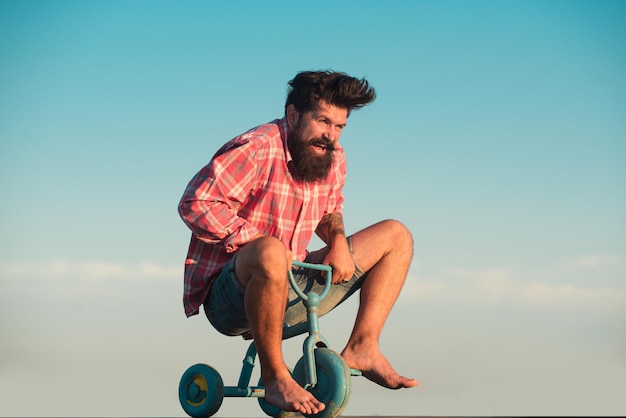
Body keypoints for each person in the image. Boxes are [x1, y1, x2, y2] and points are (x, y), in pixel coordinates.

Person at [178, 70, 417, 415]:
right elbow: (195, 204)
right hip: (229, 298)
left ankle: (363, 347)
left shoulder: (333, 156)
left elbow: (330, 209)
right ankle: (274, 378)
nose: (330, 135)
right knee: (271, 250)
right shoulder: (258, 147)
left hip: (293, 282)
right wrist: (261, 245)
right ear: (293, 115)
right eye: (323, 121)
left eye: (339, 126)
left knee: (396, 235)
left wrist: (335, 239)